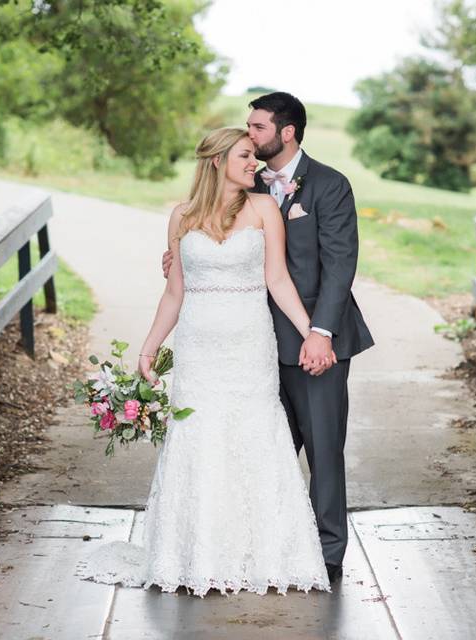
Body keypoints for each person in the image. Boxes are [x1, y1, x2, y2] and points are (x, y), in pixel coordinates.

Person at [77, 127, 329, 596]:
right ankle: (196, 554)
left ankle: (263, 556)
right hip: (198, 350)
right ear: (217, 161)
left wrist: (312, 333)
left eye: (253, 156)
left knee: (252, 434)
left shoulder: (263, 209)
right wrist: (149, 346)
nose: (253, 162)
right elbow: (175, 291)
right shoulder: (182, 216)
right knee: (198, 438)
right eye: (244, 155)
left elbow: (277, 279)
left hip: (250, 347)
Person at [162, 92, 373, 582]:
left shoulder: (329, 185)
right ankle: (248, 547)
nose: (250, 139)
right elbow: (209, 239)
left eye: (257, 128)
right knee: (257, 450)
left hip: (313, 340)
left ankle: (325, 556)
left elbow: (340, 267)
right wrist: (180, 259)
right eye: (247, 130)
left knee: (323, 449)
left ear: (287, 132)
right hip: (249, 345)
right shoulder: (242, 178)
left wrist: (320, 333)